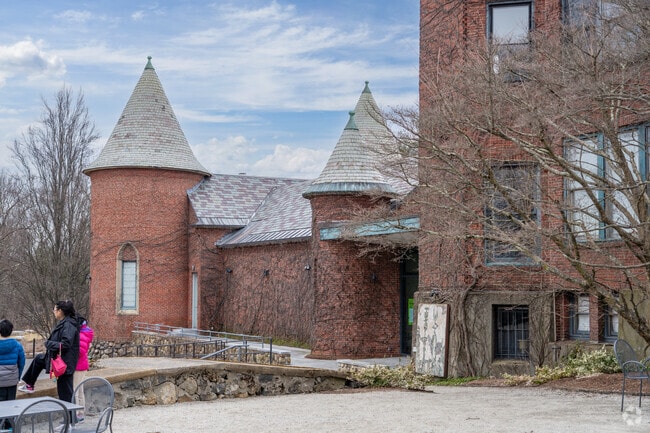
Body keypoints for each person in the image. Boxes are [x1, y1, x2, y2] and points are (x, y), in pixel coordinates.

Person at [19, 300, 80, 402]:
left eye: (55, 309)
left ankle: (71, 417)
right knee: (39, 359)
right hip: (57, 360)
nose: (53, 311)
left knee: (66, 394)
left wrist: (48, 343)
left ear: (60, 311)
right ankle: (29, 384)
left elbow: (65, 344)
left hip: (64, 365)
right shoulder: (65, 323)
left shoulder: (68, 325)